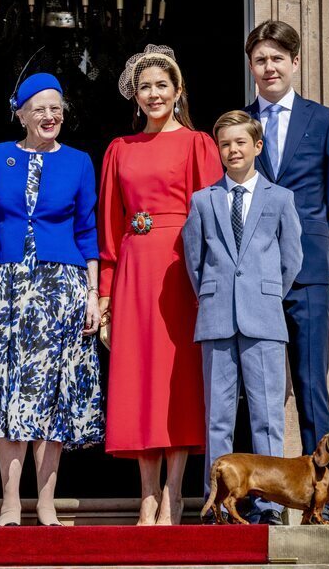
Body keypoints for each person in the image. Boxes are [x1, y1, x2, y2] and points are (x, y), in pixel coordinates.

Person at [98, 45, 223, 525]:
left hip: (179, 271)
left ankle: (175, 493)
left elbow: (211, 218)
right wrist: (105, 296)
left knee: (177, 380)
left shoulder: (197, 144)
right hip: (133, 269)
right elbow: (110, 227)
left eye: (161, 86)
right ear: (135, 94)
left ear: (178, 91)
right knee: (137, 378)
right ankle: (146, 495)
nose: (153, 94)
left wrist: (209, 282)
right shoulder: (118, 150)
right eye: (145, 86)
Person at [0, 73, 104, 527]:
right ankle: (10, 499)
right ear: (21, 113)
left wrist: (94, 294)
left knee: (51, 395)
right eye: (39, 108)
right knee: (9, 391)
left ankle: (46, 500)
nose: (50, 116)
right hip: (6, 286)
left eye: (56, 108)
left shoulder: (78, 161)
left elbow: (88, 230)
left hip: (61, 288)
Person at [243, 20, 329, 523]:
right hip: (254, 275)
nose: (269, 67)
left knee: (310, 383)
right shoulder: (238, 124)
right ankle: (262, 498)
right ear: (252, 67)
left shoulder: (324, 120)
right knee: (261, 389)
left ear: (294, 63)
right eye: (260, 60)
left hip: (308, 272)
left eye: (276, 59)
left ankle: (320, 501)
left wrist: (322, 259)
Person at [181, 110, 302, 525]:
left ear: (257, 147)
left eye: (240, 143)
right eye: (225, 144)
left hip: (264, 320)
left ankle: (269, 504)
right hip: (216, 319)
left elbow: (292, 259)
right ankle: (216, 504)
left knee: (267, 418)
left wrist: (265, 297)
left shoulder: (280, 198)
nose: (233, 150)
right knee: (219, 417)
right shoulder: (203, 200)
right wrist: (217, 297)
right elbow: (194, 262)